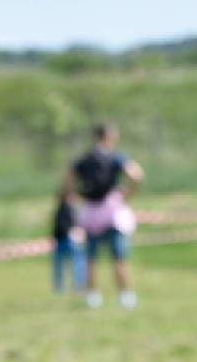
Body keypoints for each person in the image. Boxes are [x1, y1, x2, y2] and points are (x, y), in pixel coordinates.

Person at [60, 122, 144, 309]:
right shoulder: (115, 158)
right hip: (112, 211)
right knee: (119, 257)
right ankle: (126, 296)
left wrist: (74, 195)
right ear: (111, 137)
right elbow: (136, 175)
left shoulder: (84, 160)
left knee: (91, 257)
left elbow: (65, 181)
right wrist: (127, 194)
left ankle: (92, 296)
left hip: (90, 211)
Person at [50, 191, 87, 294]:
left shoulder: (69, 209)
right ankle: (72, 286)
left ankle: (76, 285)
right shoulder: (67, 209)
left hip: (67, 240)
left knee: (75, 264)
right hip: (64, 240)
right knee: (75, 264)